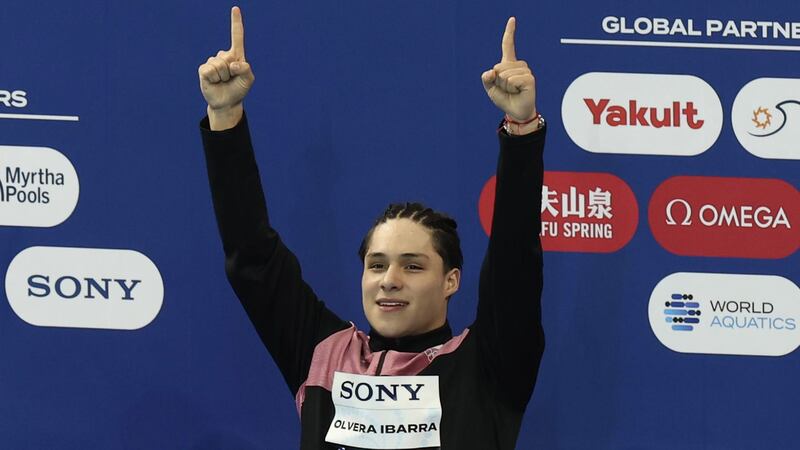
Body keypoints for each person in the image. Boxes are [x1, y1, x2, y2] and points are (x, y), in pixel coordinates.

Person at [199, 6, 546, 450]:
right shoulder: (323, 352)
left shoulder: (486, 366)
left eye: (413, 267)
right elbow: (251, 257)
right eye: (376, 265)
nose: (389, 281)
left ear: (451, 281)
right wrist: (225, 117)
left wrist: (521, 131)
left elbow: (515, 263)